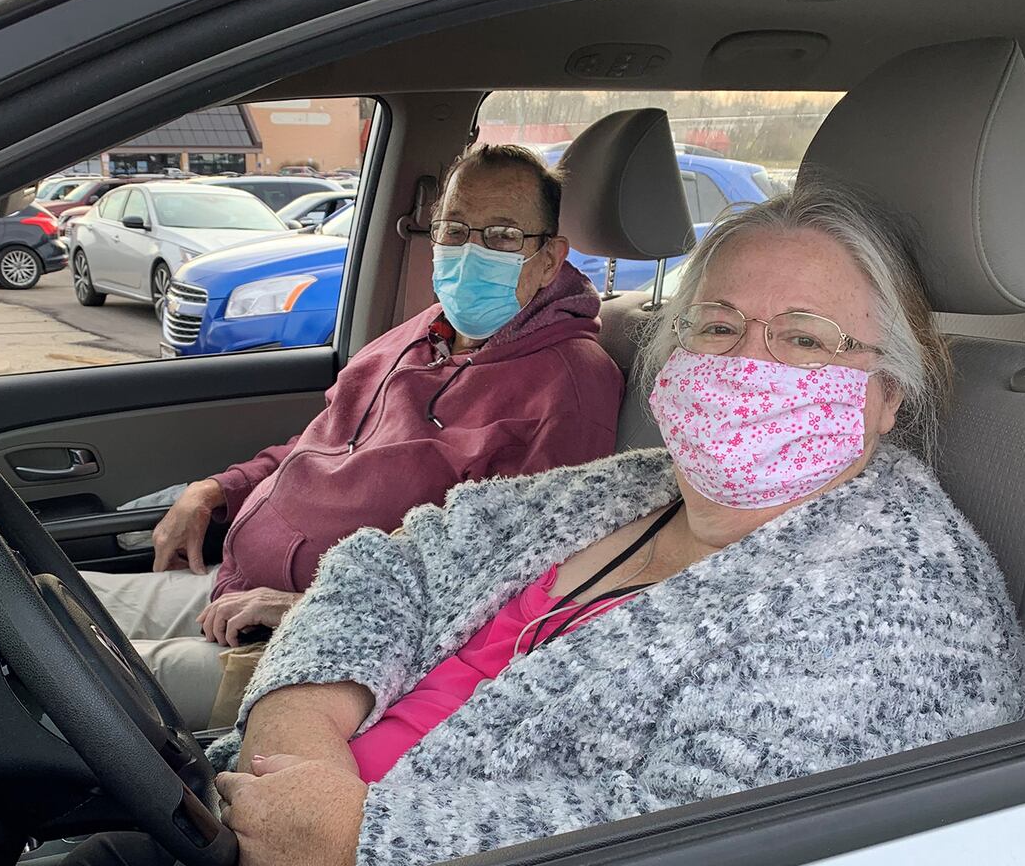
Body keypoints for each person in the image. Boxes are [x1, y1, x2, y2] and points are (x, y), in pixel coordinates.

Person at [0, 182, 1025, 866]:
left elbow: (692, 863)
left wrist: (361, 844)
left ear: (889, 395)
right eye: (714, 324)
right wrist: (298, 729)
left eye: (802, 338)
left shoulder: (902, 612)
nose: (741, 361)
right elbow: (393, 565)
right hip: (269, 817)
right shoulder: (629, 488)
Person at [83, 144, 624, 729]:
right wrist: (214, 491)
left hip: (328, 649)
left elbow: (512, 582)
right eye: (454, 228)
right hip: (243, 584)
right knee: (46, 597)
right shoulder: (422, 333)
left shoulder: (570, 385)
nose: (470, 253)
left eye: (501, 236)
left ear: (549, 258)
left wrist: (308, 607)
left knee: (66, 679)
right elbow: (316, 443)